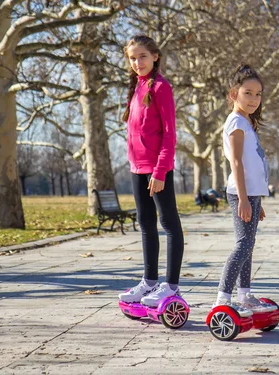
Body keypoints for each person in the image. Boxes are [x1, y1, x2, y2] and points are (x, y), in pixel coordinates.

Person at [118, 35, 184, 306]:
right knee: (146, 224)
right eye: (132, 58)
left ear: (155, 56)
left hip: (158, 169)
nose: (137, 62)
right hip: (137, 168)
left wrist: (159, 171)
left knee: (169, 224)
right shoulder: (137, 87)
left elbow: (169, 134)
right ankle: (149, 282)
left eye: (142, 56)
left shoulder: (161, 87)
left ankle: (171, 286)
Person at [214, 64, 275, 313]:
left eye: (258, 94)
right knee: (243, 245)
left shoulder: (247, 122)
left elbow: (252, 162)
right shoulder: (236, 122)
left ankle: (245, 295)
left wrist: (256, 200)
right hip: (241, 193)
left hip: (251, 194)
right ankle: (222, 298)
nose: (254, 99)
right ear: (234, 94)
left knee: (248, 245)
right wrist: (243, 199)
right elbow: (237, 162)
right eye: (247, 92)